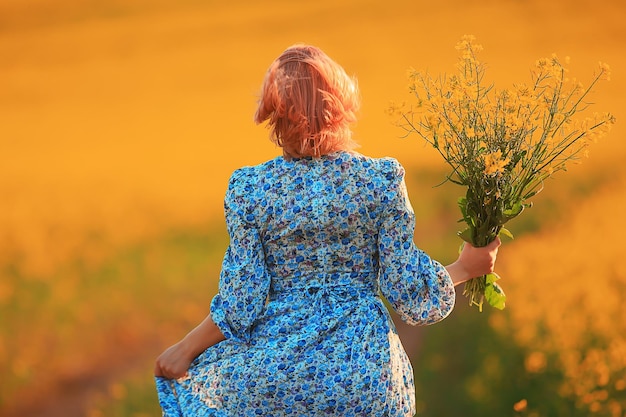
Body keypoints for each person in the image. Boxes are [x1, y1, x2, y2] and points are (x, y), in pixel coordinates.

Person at [154, 44, 501, 416]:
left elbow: (241, 302)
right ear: (340, 106)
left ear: (273, 113)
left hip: (279, 379)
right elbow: (406, 289)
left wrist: (185, 349)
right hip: (366, 376)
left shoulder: (250, 189)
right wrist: (465, 268)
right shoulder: (379, 180)